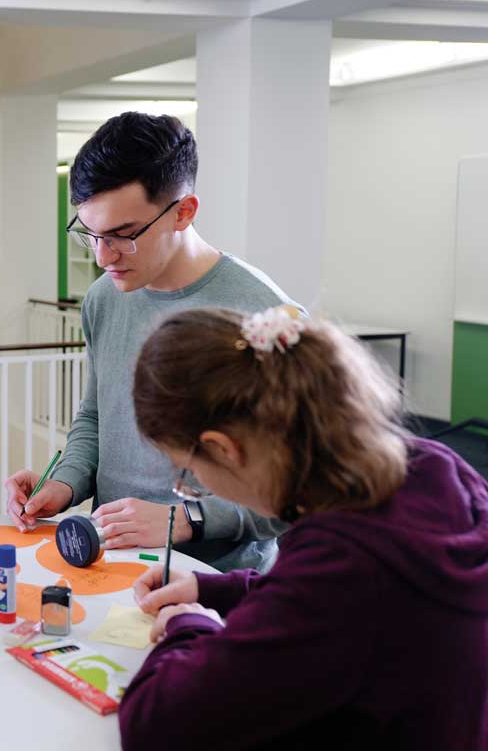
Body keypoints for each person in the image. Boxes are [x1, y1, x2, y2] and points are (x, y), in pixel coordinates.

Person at [118, 306, 488, 749]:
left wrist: (189, 626)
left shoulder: (342, 567)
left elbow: (155, 724)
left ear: (223, 448)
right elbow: (349, 606)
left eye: (188, 473)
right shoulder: (430, 464)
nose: (193, 486)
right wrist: (215, 590)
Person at [5, 112, 299, 572]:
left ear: (184, 212)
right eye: (91, 235)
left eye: (123, 236)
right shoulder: (104, 298)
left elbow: (298, 488)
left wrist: (188, 518)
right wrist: (63, 483)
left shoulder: (266, 315)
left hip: (219, 582)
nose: (104, 258)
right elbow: (97, 417)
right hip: (114, 563)